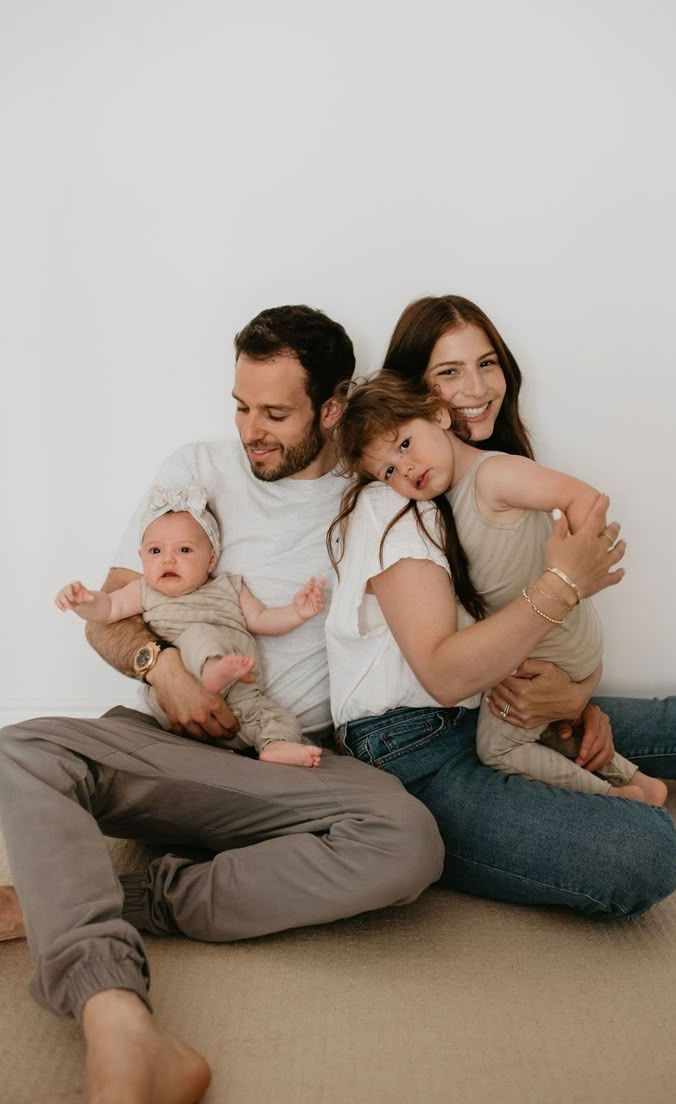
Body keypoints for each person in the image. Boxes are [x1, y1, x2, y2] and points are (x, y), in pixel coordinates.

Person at [0, 305, 444, 1104]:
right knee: (20, 749)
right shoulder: (195, 470)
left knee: (408, 839)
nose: (251, 432)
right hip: (170, 747)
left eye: (275, 414)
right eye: (241, 407)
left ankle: (99, 899)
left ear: (332, 405)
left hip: (290, 761)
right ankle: (118, 1018)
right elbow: (110, 612)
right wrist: (157, 664)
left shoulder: (375, 486)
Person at [326, 293, 676, 920]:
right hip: (416, 744)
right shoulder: (393, 502)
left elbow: (540, 624)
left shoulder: (483, 480)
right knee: (645, 853)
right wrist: (565, 587)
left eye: (486, 363)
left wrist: (576, 697)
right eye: (449, 371)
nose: (476, 389)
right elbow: (444, 671)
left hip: (491, 703)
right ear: (421, 391)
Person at [328, 372, 667, 803]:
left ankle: (611, 797)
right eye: (389, 470)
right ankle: (636, 780)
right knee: (532, 725)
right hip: (540, 636)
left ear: (438, 415)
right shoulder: (440, 503)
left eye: (405, 444)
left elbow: (583, 497)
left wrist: (580, 570)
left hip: (554, 635)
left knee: (497, 746)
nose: (406, 468)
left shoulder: (492, 475)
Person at [55, 482, 327, 767]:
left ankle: (275, 746)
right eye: (155, 551)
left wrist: (296, 612)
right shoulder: (144, 591)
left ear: (211, 560)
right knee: (201, 634)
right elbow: (109, 608)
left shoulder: (230, 587)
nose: (168, 559)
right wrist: (84, 601)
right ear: (140, 558)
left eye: (184, 550)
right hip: (176, 694)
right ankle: (211, 670)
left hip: (239, 695)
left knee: (278, 717)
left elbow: (262, 620)